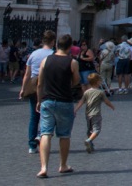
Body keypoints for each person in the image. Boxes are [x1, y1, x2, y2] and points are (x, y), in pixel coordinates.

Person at [35, 33, 80, 178]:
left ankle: (43, 167)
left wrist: (38, 100)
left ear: (56, 45)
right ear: (69, 47)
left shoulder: (46, 60)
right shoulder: (72, 62)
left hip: (47, 100)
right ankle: (63, 165)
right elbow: (76, 81)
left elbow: (40, 83)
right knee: (64, 135)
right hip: (64, 101)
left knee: (45, 134)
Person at [21, 31, 56, 155]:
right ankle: (41, 136)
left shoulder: (34, 54)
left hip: (33, 84)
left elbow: (27, 74)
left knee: (33, 115)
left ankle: (31, 145)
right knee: (47, 114)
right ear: (52, 41)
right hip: (48, 85)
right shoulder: (54, 54)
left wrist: (22, 89)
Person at [78, 72, 114, 153]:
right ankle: (89, 140)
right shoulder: (100, 92)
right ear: (98, 82)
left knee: (89, 130)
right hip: (96, 113)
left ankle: (90, 143)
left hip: (87, 114)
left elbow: (81, 102)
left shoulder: (86, 92)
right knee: (96, 130)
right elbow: (106, 101)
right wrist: (112, 106)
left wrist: (75, 109)